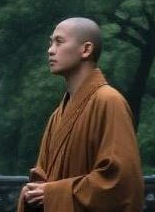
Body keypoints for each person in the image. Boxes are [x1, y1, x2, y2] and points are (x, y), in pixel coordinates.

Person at [17, 17, 144, 212]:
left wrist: (53, 194)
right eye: (51, 43)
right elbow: (41, 181)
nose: (50, 50)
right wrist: (36, 193)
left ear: (86, 49)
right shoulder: (57, 116)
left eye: (59, 42)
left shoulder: (109, 102)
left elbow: (120, 182)